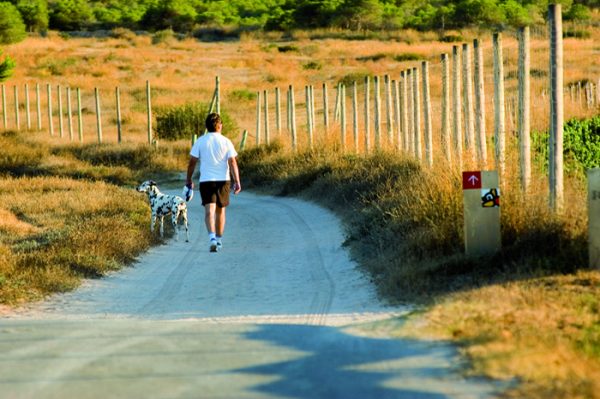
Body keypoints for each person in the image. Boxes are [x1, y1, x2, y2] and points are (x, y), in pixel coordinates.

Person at [186, 113, 241, 252]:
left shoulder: (200, 141)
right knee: (220, 211)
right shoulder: (226, 141)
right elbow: (232, 161)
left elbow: (192, 162)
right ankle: (219, 240)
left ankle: (212, 238)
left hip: (206, 181)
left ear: (207, 126)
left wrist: (188, 179)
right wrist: (237, 181)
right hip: (223, 180)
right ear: (220, 126)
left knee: (209, 211)